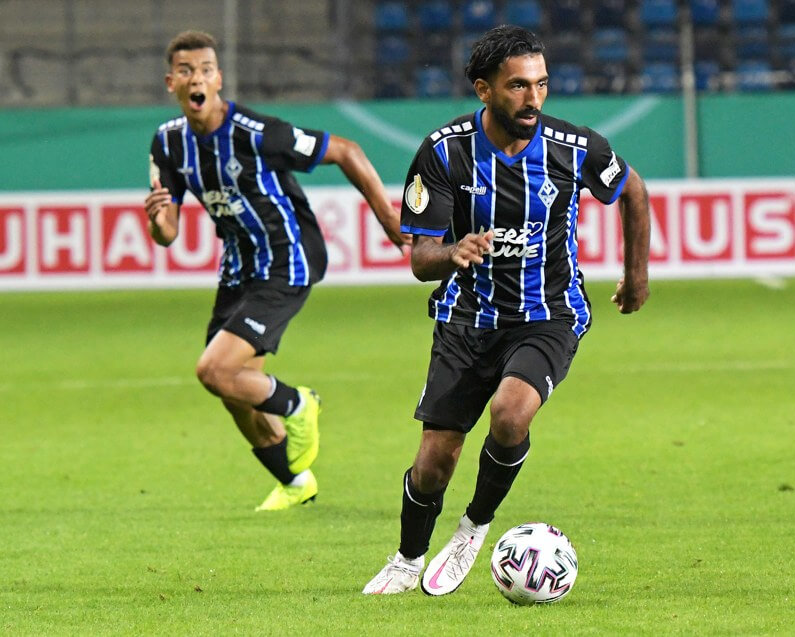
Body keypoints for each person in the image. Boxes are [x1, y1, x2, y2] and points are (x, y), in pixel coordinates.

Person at [363, 25, 650, 596]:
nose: (533, 98)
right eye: (518, 86)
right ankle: (408, 559)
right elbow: (420, 259)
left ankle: (474, 526)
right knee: (434, 462)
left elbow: (633, 191)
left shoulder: (574, 147)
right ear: (484, 89)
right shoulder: (444, 152)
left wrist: (636, 275)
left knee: (511, 413)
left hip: (549, 312)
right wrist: (453, 251)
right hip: (466, 318)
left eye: (541, 84)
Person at [144, 30, 408, 511]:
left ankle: (299, 404)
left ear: (218, 79)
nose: (196, 78)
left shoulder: (256, 133)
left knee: (213, 370)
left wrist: (389, 218)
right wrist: (158, 219)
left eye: (205, 69)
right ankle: (295, 482)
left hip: (288, 259)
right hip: (238, 269)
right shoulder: (168, 143)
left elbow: (346, 150)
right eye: (186, 71)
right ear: (171, 82)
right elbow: (167, 234)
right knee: (233, 391)